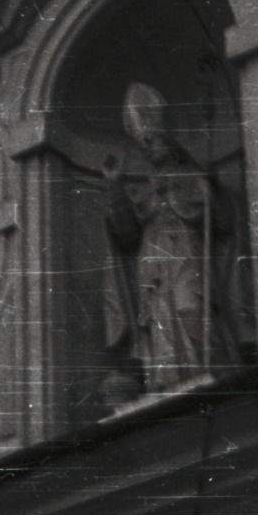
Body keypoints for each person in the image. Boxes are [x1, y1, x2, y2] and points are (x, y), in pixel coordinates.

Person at [102, 83, 240, 398]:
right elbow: (126, 234)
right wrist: (114, 188)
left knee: (190, 308)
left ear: (171, 142)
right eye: (144, 145)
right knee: (159, 316)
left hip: (187, 252)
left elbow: (222, 222)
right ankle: (164, 382)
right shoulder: (145, 190)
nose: (149, 149)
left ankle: (203, 369)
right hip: (153, 257)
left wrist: (212, 190)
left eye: (153, 141)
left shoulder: (195, 179)